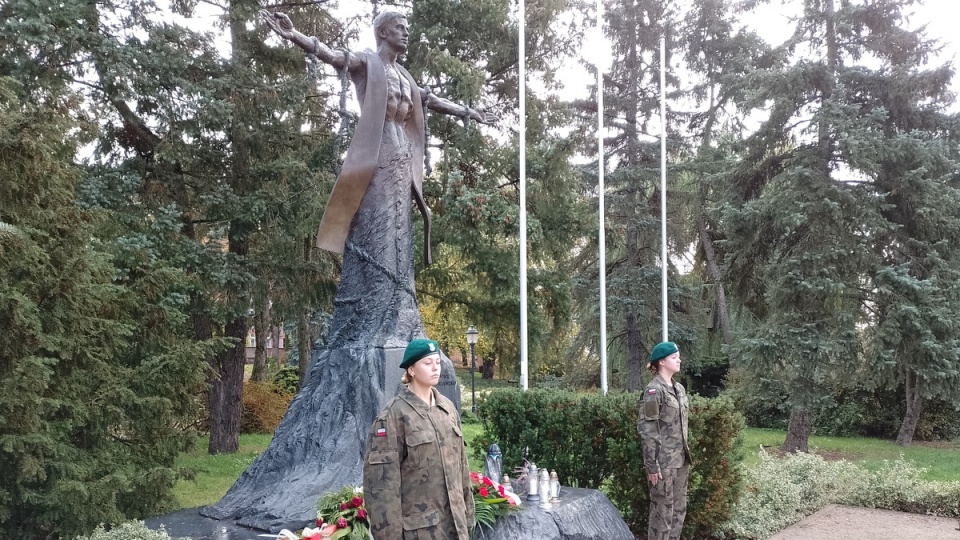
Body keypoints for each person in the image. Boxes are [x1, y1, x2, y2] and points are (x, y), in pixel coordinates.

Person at [261, 10, 492, 348]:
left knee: (400, 232)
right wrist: (295, 36)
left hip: (404, 160)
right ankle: (375, 315)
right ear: (383, 32)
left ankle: (399, 313)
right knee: (378, 229)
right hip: (377, 154)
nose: (406, 33)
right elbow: (334, 55)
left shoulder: (406, 77)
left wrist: (468, 112)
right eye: (400, 28)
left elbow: (432, 101)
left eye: (407, 28)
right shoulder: (367, 64)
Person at [362, 338, 475, 540]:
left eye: (437, 362)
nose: (435, 368)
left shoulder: (447, 409)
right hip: (419, 532)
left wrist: (468, 516)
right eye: (427, 363)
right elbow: (382, 487)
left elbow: (462, 468)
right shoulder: (393, 416)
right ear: (411, 370)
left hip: (454, 527)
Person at [637, 341, 692, 540]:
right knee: (662, 513)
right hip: (663, 464)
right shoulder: (654, 391)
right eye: (674, 357)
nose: (679, 360)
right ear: (662, 361)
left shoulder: (679, 389)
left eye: (678, 357)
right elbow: (648, 429)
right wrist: (652, 466)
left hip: (680, 460)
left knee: (678, 511)